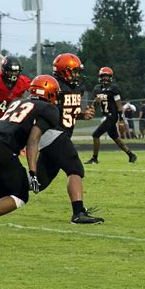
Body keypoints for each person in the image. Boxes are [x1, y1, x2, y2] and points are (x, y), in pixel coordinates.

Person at [0, 75, 61, 247]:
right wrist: (32, 172)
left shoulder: (19, 102)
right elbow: (33, 141)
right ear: (49, 93)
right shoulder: (48, 109)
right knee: (20, 195)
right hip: (4, 148)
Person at [37, 53, 104, 224]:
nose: (76, 75)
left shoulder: (77, 88)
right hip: (52, 133)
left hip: (61, 135)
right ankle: (78, 212)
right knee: (75, 167)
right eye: (73, 71)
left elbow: (68, 113)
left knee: (39, 182)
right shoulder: (53, 85)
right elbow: (44, 111)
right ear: (62, 71)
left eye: (77, 72)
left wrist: (82, 115)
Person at [85, 67, 137, 164]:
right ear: (100, 77)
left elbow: (119, 106)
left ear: (110, 77)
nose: (105, 78)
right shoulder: (97, 89)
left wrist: (121, 119)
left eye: (107, 76)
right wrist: (91, 108)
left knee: (95, 135)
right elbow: (96, 102)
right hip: (106, 116)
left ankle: (94, 158)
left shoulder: (114, 88)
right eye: (103, 76)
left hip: (112, 116)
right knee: (116, 138)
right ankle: (131, 155)